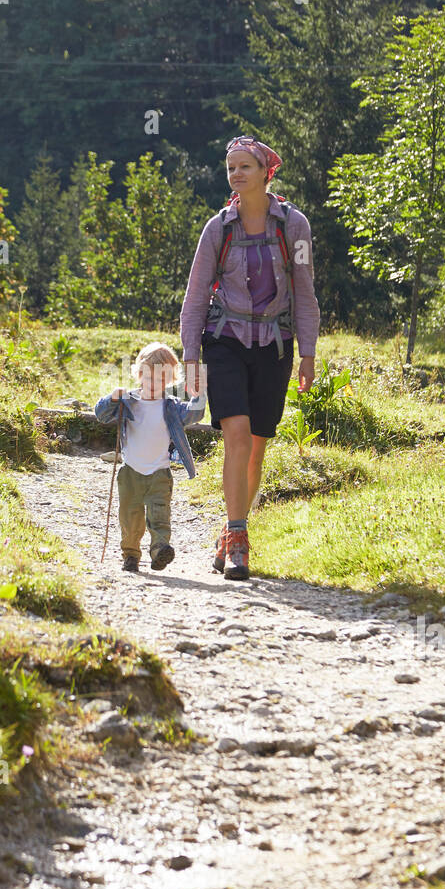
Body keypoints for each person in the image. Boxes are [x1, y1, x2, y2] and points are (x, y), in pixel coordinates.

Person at [180, 136, 320, 580]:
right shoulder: (217, 228)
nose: (236, 174)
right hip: (224, 339)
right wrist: (189, 355)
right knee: (236, 436)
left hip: (274, 345)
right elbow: (197, 292)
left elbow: (303, 289)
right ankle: (239, 538)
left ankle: (228, 527)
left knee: (258, 445)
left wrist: (308, 353)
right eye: (230, 168)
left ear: (265, 173)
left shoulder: (293, 227)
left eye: (244, 167)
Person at [93, 342, 207, 572]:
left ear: (170, 381)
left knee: (160, 515)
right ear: (139, 374)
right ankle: (131, 554)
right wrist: (112, 398)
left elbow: (196, 414)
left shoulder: (171, 407)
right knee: (130, 516)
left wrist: (199, 393)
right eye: (149, 378)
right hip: (131, 472)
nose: (154, 384)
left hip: (159, 472)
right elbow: (101, 415)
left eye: (161, 380)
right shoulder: (129, 402)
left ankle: (159, 549)